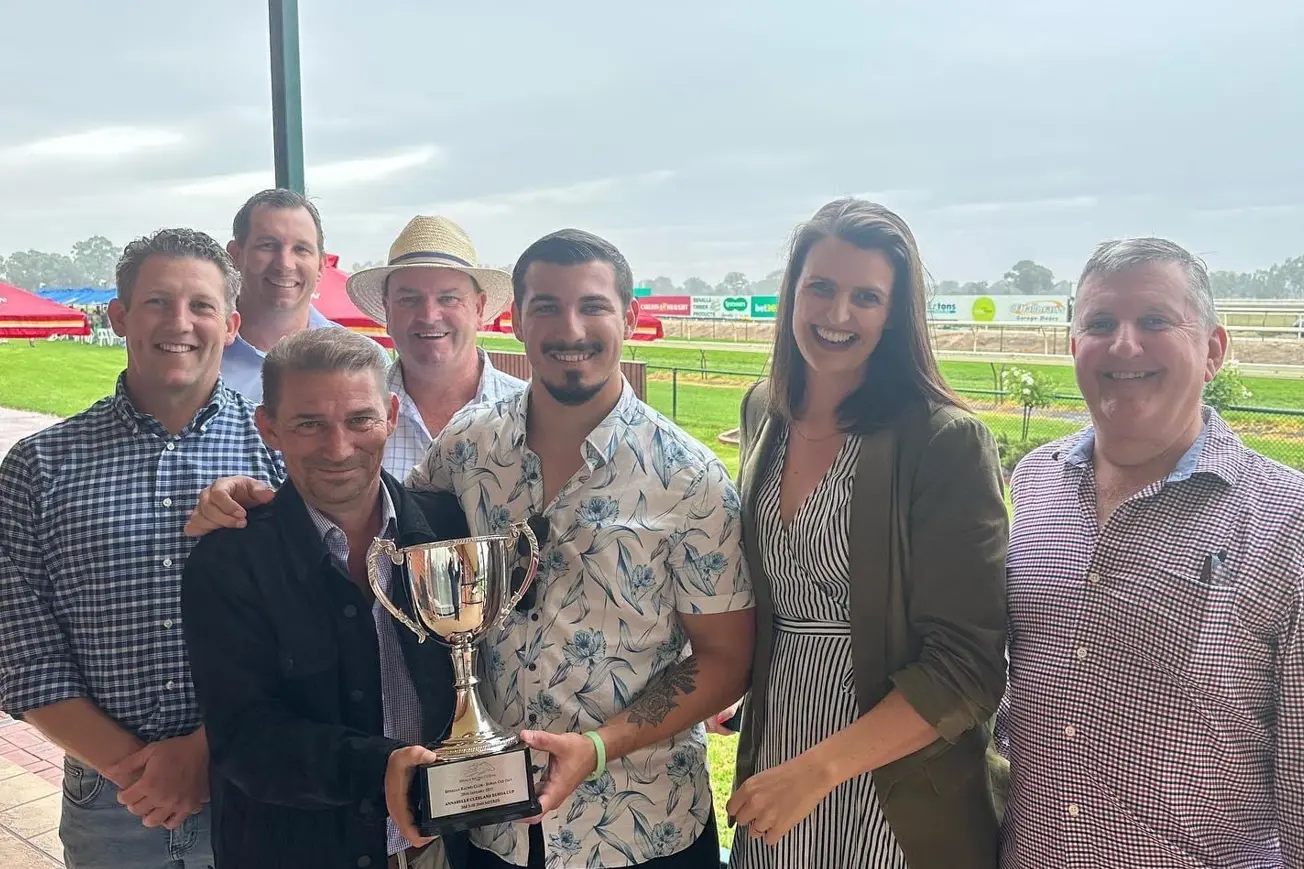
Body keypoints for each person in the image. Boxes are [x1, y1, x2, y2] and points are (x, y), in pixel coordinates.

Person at [186, 229, 756, 868]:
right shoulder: (466, 448)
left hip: (639, 825)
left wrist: (597, 747)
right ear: (516, 321)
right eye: (546, 306)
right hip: (486, 832)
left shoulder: (692, 478)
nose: (570, 327)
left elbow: (725, 658)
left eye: (593, 305)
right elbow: (369, 504)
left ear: (628, 316)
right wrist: (255, 499)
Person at [713, 199, 1009, 869]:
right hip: (777, 747)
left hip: (894, 778)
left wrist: (818, 771)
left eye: (865, 296)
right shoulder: (765, 411)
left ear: (895, 314)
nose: (836, 313)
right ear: (792, 290)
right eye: (820, 286)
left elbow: (968, 665)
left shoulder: (944, 442)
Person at [995, 238, 1304, 868]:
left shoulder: (1287, 521)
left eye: (1156, 321)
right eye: (1100, 324)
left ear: (1214, 349)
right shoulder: (1036, 482)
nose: (1125, 345)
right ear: (1072, 345)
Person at [0, 228, 283, 869]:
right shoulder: (38, 467)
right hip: (110, 800)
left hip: (259, 782)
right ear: (120, 315)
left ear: (231, 324)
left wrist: (202, 753)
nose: (179, 323)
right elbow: (22, 654)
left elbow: (315, 627)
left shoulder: (281, 452)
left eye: (201, 306)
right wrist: (144, 774)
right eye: (157, 302)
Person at [181, 327, 471, 869]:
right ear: (269, 427)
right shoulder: (228, 562)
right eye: (308, 424)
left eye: (360, 420)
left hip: (438, 848)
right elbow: (244, 738)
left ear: (389, 414)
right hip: (299, 850)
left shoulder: (448, 529)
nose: (338, 449)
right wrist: (379, 767)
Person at [345, 215, 525, 478]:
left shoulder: (531, 415)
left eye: (448, 298)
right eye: (409, 299)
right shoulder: (347, 417)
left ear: (479, 308)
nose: (429, 316)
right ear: (387, 311)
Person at [220, 188, 339, 401]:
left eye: (301, 249)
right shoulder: (196, 356)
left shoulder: (364, 360)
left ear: (321, 266)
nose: (284, 264)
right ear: (234, 256)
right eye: (267, 246)